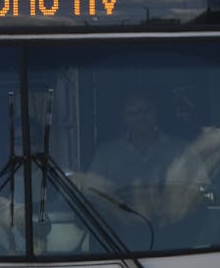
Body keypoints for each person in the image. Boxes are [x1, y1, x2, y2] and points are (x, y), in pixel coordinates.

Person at [88, 89, 209, 222]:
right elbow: (92, 197)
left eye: (147, 110)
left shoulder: (181, 149)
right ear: (123, 116)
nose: (141, 117)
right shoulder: (106, 153)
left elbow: (204, 193)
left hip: (177, 233)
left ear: (156, 112)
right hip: (118, 236)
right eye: (133, 112)